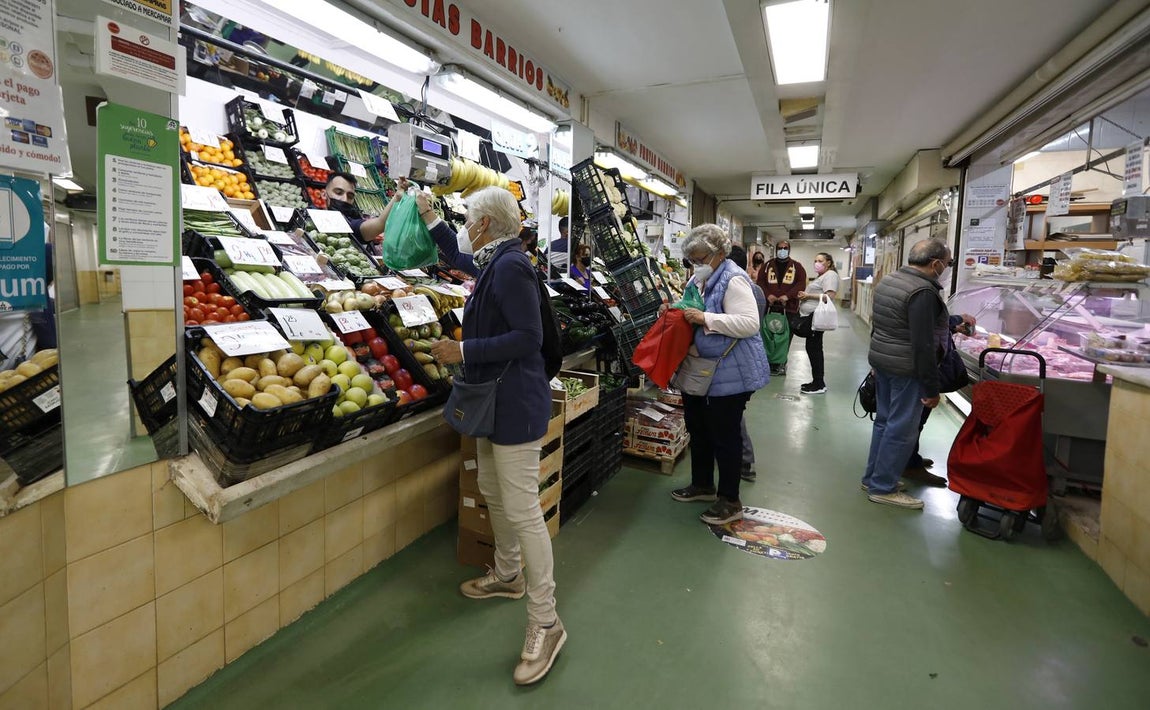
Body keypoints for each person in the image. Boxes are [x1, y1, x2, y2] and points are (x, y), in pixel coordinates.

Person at [415, 187, 565, 686]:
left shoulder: (512, 266)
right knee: (494, 491)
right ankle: (507, 574)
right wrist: (432, 219)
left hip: (515, 404)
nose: (465, 227)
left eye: (467, 220)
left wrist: (463, 351)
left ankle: (547, 622)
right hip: (493, 401)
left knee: (522, 509)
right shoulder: (494, 261)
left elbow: (529, 338)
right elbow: (460, 259)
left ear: (484, 225)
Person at [669, 226, 771, 525]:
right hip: (703, 370)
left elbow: (749, 323)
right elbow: (690, 306)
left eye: (700, 258)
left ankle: (730, 500)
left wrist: (706, 318)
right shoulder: (699, 278)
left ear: (719, 253)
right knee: (698, 426)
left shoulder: (733, 279)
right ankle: (702, 484)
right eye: (691, 260)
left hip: (731, 371)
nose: (696, 265)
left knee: (725, 435)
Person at [862, 239, 953, 510]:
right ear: (935, 264)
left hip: (884, 362)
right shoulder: (922, 292)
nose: (946, 268)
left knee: (884, 422)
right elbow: (923, 344)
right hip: (907, 369)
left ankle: (873, 478)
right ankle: (883, 487)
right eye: (947, 264)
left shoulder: (890, 281)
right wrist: (931, 388)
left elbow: (880, 324)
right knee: (901, 429)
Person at [904, 312, 977, 486]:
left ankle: (909, 458)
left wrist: (953, 327)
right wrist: (959, 318)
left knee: (913, 421)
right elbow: (929, 321)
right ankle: (909, 465)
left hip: (906, 362)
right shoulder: (924, 296)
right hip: (919, 366)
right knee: (915, 420)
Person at [727, 245, 767, 482]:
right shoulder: (758, 291)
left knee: (733, 415)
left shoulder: (737, 289)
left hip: (735, 362)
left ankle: (744, 461)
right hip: (749, 362)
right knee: (735, 413)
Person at [756, 240, 806, 376]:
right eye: (780, 248)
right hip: (769, 308)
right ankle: (769, 362)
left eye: (785, 248)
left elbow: (801, 284)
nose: (782, 250)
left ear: (789, 250)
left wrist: (787, 296)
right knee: (768, 336)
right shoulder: (767, 266)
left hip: (788, 309)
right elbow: (760, 282)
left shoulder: (797, 267)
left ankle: (781, 363)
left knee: (784, 338)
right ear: (776, 249)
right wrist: (768, 295)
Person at [794, 252, 840, 395]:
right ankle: (817, 381)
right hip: (811, 315)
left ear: (828, 262)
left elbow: (829, 296)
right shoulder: (822, 276)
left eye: (820, 261)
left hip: (816, 317)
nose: (816, 263)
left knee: (814, 349)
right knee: (813, 348)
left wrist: (808, 296)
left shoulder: (830, 275)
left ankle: (819, 384)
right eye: (815, 260)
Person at [323, 172, 404, 251]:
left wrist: (397, 197)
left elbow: (379, 223)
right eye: (338, 193)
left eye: (350, 196)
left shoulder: (350, 224)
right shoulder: (314, 214)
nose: (344, 199)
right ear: (324, 194)